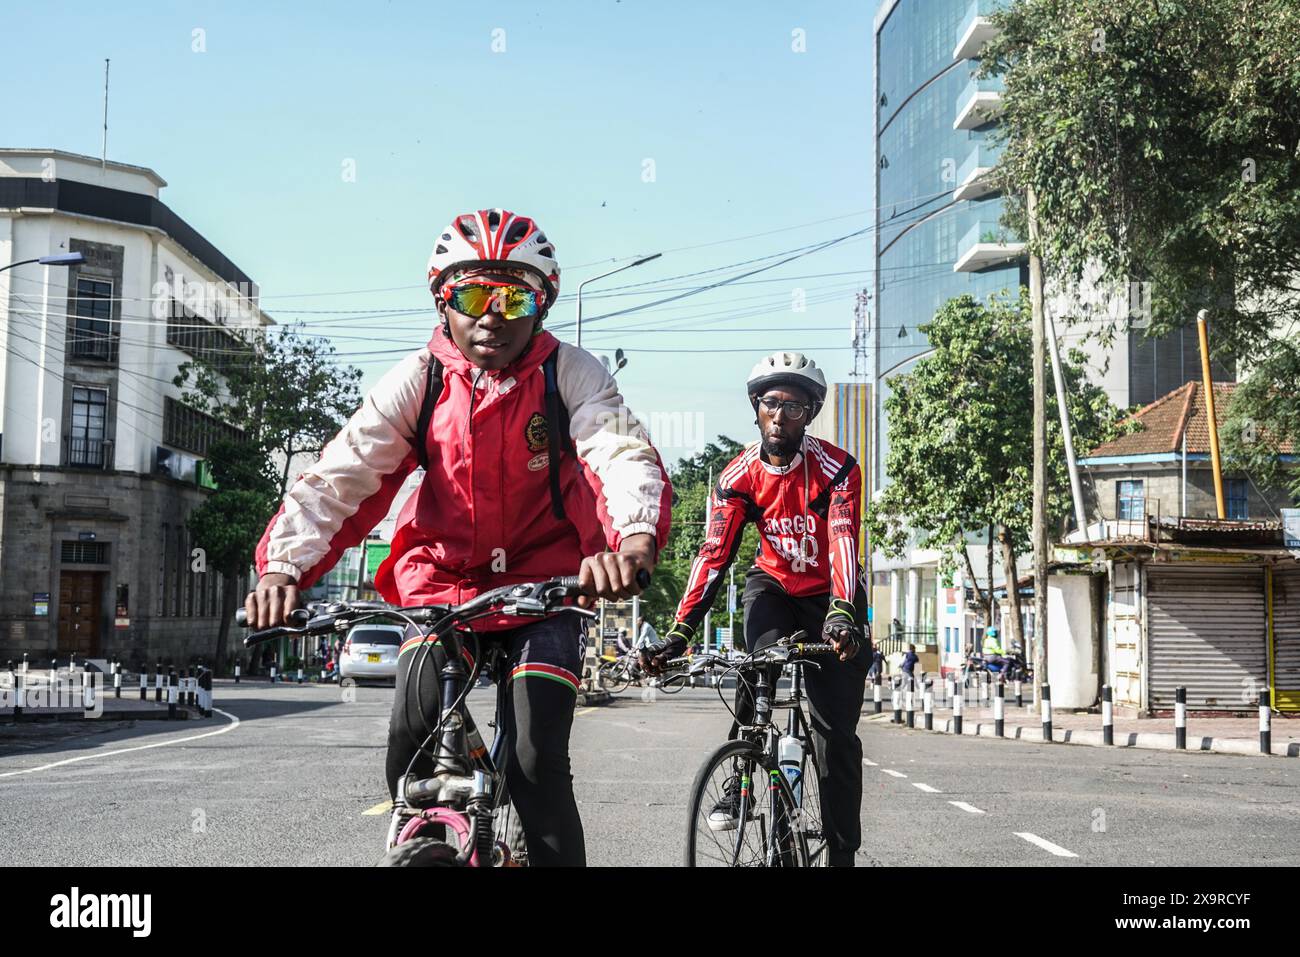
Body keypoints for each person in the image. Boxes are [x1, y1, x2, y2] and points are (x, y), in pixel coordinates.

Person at [244, 208, 672, 867]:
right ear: (443, 302)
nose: (491, 315)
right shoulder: (421, 378)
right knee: (410, 734)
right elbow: (342, 475)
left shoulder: (572, 373)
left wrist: (634, 540)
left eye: (513, 297)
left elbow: (620, 454)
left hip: (547, 587)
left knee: (534, 760)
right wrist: (281, 567)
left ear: (544, 303)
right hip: (442, 584)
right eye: (472, 295)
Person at [640, 351, 871, 867]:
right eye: (771, 403)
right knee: (756, 665)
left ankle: (842, 852)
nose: (781, 415)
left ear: (810, 414)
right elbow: (713, 556)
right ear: (755, 408)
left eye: (795, 406)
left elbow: (842, 542)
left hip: (831, 598)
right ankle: (743, 778)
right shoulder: (738, 476)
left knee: (837, 737)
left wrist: (841, 615)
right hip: (772, 586)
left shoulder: (838, 468)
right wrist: (679, 634)